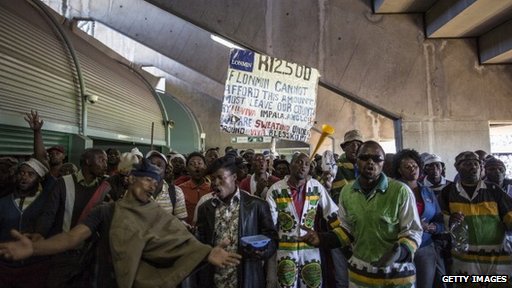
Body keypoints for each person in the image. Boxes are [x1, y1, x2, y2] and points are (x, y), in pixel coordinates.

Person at [0, 159, 242, 287]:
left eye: (155, 183)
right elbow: (72, 237)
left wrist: (208, 253)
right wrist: (35, 248)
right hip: (106, 280)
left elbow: (184, 243)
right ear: (130, 180)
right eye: (146, 180)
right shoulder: (107, 211)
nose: (151, 186)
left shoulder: (158, 215)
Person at [301, 141, 422, 287]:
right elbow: (347, 231)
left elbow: (413, 231)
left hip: (396, 277)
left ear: (383, 163)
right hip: (360, 277)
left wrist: (400, 252)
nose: (371, 162)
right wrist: (321, 238)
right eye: (365, 158)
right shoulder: (347, 192)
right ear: (356, 161)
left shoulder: (400, 191)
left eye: (377, 159)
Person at [195, 156, 278, 287]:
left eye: (220, 178)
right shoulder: (205, 209)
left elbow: (272, 238)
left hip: (247, 279)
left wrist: (262, 250)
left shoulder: (257, 206)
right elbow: (199, 243)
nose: (215, 183)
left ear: (234, 177)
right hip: (215, 280)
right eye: (212, 179)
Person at [34, 148, 108, 287]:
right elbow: (49, 213)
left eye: (106, 161)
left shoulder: (106, 186)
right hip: (64, 254)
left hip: (91, 254)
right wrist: (39, 234)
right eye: (101, 160)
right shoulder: (63, 183)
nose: (105, 165)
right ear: (87, 161)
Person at [266, 152, 339, 288]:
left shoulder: (316, 187)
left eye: (306, 164)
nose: (303, 166)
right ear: (290, 166)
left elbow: (332, 212)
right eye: (299, 162)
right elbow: (270, 222)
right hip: (285, 248)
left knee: (313, 283)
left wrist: (341, 235)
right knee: (286, 284)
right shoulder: (276, 190)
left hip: (310, 248)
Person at [439, 151, 512, 278]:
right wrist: (449, 220)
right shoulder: (448, 192)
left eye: (476, 164)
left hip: (496, 255)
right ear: (457, 168)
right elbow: (439, 218)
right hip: (464, 258)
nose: (473, 167)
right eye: (467, 164)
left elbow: (509, 216)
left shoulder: (494, 190)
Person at [392, 149, 445, 288]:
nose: (412, 170)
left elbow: (440, 221)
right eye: (407, 167)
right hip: (402, 248)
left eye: (415, 166)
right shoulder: (392, 190)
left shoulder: (427, 191)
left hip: (425, 247)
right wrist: (412, 225)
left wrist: (433, 227)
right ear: (399, 170)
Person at [0, 158, 50, 287]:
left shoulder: (46, 200)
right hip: (6, 265)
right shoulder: (3, 201)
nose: (24, 177)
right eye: (21, 173)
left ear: (39, 178)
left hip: (35, 265)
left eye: (30, 174)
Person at [146, 150, 187, 221]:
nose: (155, 168)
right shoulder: (136, 190)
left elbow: (181, 223)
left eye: (159, 165)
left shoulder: (176, 192)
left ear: (166, 170)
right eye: (151, 165)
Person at [179, 152, 211, 225]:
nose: (196, 166)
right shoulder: (180, 189)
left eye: (199, 163)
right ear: (187, 168)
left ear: (205, 166)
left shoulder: (211, 189)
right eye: (192, 164)